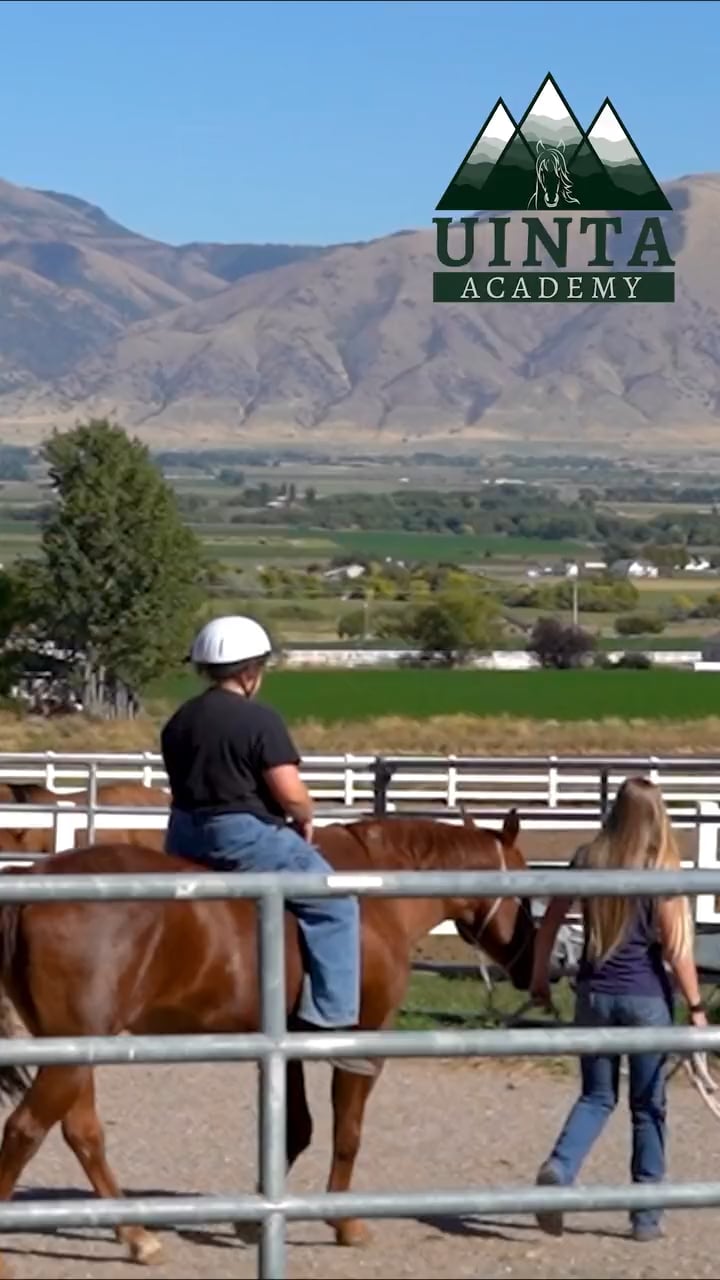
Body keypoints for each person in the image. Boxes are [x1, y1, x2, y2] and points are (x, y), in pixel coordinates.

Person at [160, 614, 372, 1074]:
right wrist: (306, 816)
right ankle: (332, 1025)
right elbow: (289, 792)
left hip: (181, 833)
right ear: (250, 672)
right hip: (240, 836)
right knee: (335, 903)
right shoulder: (259, 719)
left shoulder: (179, 720)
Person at [529, 775, 707, 1242]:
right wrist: (697, 1005)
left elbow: (549, 919)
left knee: (596, 1096)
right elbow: (675, 949)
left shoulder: (588, 859)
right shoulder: (659, 868)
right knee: (648, 1106)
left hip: (594, 995)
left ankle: (561, 1170)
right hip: (646, 998)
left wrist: (538, 976)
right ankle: (645, 1215)